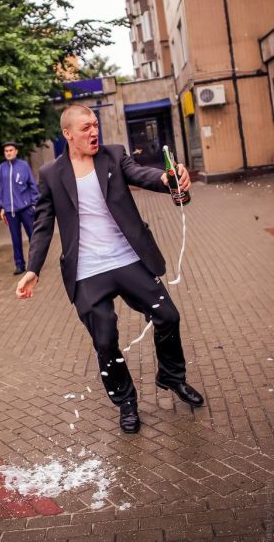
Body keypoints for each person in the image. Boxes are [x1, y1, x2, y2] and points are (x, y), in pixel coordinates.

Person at [16, 105, 204, 433]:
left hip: (128, 258)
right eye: (86, 127)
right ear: (68, 134)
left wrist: (164, 177)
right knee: (104, 340)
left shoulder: (114, 156)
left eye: (95, 125)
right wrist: (33, 268)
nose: (93, 132)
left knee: (168, 317)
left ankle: (172, 377)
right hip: (87, 271)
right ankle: (126, 402)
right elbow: (43, 224)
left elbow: (141, 174)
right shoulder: (50, 174)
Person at [0, 141, 39, 275]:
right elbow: (0, 189)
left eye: (10, 150)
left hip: (26, 208)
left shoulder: (23, 166)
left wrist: (34, 203)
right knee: (15, 239)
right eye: (6, 151)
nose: (8, 153)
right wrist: (2, 207)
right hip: (10, 211)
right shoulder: (1, 168)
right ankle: (19, 265)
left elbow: (32, 185)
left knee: (33, 236)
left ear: (16, 151)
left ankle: (35, 264)